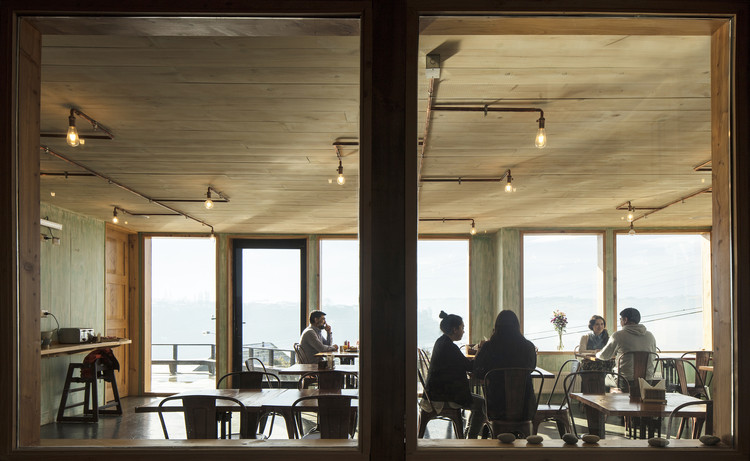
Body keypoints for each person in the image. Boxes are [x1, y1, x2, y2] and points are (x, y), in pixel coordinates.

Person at [423, 311, 486, 438]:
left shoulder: (441, 342)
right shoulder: (449, 347)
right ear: (454, 329)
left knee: (478, 402)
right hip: (443, 396)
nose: (463, 331)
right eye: (462, 328)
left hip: (435, 392)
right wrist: (480, 350)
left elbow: (459, 364)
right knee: (482, 404)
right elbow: (470, 367)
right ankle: (472, 438)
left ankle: (469, 435)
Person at [473, 310, 537, 423]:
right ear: (517, 326)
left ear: (496, 326)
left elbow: (477, 370)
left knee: (487, 401)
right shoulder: (528, 346)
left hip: (496, 406)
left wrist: (489, 376)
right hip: (525, 407)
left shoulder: (489, 347)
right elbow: (531, 368)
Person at [596, 307, 658, 381]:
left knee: (605, 379)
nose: (620, 322)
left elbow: (604, 356)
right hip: (647, 381)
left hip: (625, 381)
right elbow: (654, 356)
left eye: (620, 319)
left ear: (625, 320)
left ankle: (614, 392)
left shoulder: (618, 335)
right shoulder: (650, 336)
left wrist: (597, 353)